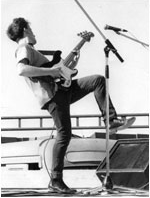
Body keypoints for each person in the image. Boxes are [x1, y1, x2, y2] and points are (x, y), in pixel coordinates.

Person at [7, 18, 135, 194]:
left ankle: (110, 120)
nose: (34, 33)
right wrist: (51, 71)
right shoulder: (24, 48)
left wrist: (67, 67)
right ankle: (56, 179)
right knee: (64, 133)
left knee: (97, 81)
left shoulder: (33, 51)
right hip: (53, 95)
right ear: (25, 30)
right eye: (31, 29)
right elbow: (22, 70)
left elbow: (61, 73)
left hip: (62, 89)